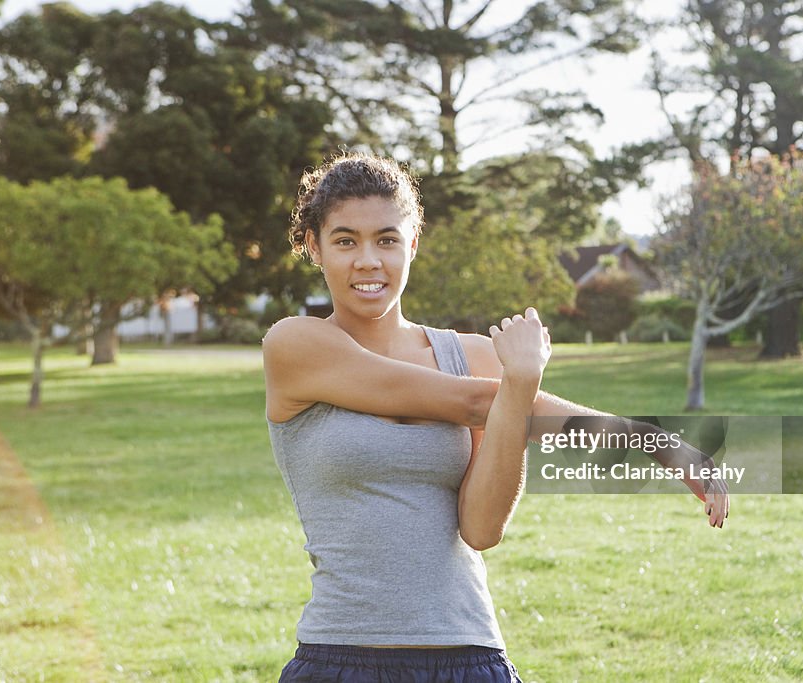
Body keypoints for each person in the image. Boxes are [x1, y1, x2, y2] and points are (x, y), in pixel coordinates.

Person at [263, 153, 728, 682]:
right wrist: (646, 438)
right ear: (314, 247)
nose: (368, 259)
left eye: (387, 239)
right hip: (339, 658)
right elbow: (471, 403)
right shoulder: (295, 345)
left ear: (412, 244)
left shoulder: (476, 358)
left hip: (468, 655)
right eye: (345, 240)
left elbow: (482, 529)